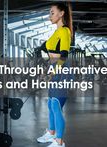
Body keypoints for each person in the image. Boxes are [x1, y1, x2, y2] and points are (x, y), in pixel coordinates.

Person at [37, 2, 73, 147]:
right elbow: (43, 47)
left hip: (61, 69)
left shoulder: (64, 31)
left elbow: (63, 55)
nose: (49, 16)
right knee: (51, 103)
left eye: (52, 12)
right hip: (54, 68)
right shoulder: (56, 33)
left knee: (56, 105)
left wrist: (53, 71)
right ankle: (51, 133)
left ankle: (59, 142)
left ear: (62, 13)